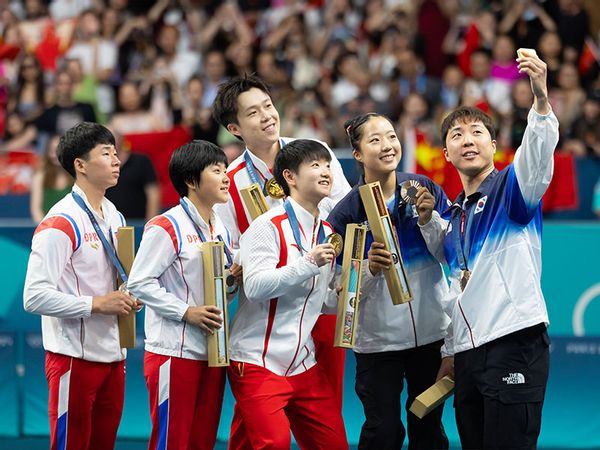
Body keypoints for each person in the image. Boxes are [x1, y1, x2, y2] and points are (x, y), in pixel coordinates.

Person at [212, 74, 351, 442]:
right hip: (267, 309)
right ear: (234, 127)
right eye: (253, 113)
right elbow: (227, 247)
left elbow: (345, 215)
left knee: (324, 407)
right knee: (259, 418)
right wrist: (265, 256)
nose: (267, 117)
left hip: (322, 300)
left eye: (269, 107)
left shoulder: (315, 152)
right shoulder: (232, 179)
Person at [438, 50, 559, 449]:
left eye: (476, 133)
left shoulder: (512, 189)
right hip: (469, 357)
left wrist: (541, 101)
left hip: (513, 342)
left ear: (493, 144)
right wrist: (451, 350)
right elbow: (459, 290)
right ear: (446, 154)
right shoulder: (454, 218)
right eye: (456, 135)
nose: (467, 140)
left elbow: (537, 159)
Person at [327, 113, 450, 450]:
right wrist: (368, 269)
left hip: (430, 335)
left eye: (391, 136)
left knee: (427, 429)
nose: (387, 146)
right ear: (357, 153)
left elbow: (452, 254)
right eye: (375, 139)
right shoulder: (345, 213)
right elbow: (335, 290)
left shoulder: (426, 191)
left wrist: (429, 220)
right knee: (382, 432)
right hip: (378, 345)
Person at [23, 122, 139, 450]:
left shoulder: (114, 214)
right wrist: (97, 304)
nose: (116, 160)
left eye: (116, 153)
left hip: (113, 356)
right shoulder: (60, 222)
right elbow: (33, 296)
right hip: (73, 357)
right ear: (81, 165)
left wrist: (127, 296)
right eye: (106, 154)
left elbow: (113, 276)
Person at [228, 139, 348, 450]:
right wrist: (307, 263)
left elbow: (322, 302)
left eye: (327, 164)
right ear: (290, 177)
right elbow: (254, 288)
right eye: (314, 165)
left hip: (302, 363)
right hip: (257, 361)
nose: (325, 171)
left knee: (334, 445)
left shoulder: (326, 232)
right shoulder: (266, 227)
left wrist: (355, 287)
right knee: (274, 444)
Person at [127, 141, 240, 450]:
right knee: (172, 442)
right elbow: (138, 282)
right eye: (216, 171)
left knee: (202, 442)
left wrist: (233, 281)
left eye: (225, 170)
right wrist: (186, 312)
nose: (226, 177)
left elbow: (221, 292)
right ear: (191, 181)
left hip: (212, 351)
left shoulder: (223, 229)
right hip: (173, 353)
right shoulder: (166, 225)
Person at [105, 131, 160, 221]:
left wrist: (151, 223)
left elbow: (153, 193)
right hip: (109, 224)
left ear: (121, 140)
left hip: (138, 222)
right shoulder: (100, 165)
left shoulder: (141, 161)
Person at [30, 135, 73, 223]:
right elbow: (36, 210)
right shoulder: (39, 177)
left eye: (58, 150)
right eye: (51, 150)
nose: (55, 154)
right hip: (47, 229)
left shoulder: (78, 177)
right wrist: (48, 230)